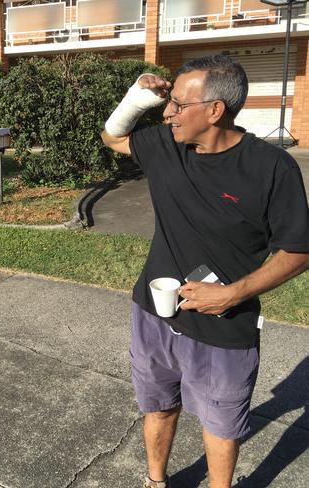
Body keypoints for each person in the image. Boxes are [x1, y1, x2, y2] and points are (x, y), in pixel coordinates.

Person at [101, 54, 309, 488]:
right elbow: (111, 136)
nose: (168, 112)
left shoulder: (271, 168)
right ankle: (155, 481)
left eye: (179, 104)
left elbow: (299, 251)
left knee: (221, 425)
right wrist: (136, 96)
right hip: (154, 314)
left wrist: (232, 294)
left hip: (224, 326)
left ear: (215, 111)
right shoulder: (165, 145)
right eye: (168, 102)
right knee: (157, 406)